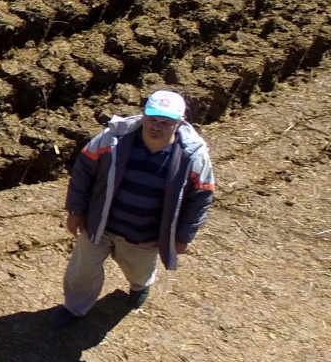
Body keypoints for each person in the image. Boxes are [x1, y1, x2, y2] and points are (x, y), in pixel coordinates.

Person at [49, 89, 215, 328]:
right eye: (152, 119)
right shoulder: (113, 139)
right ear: (143, 114)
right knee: (82, 271)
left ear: (180, 123)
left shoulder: (194, 157)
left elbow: (200, 199)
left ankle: (139, 286)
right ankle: (74, 307)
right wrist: (76, 210)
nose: (156, 127)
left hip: (144, 236)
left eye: (165, 122)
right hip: (100, 225)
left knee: (137, 271)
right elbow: (83, 172)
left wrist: (183, 236)